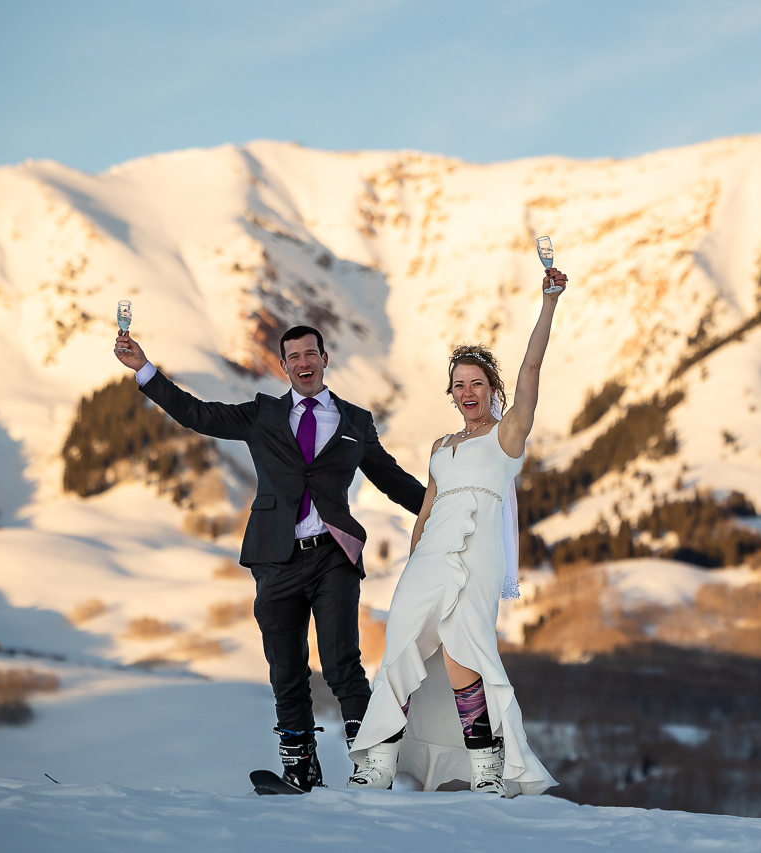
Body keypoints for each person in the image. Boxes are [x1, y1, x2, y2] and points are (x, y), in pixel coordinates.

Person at [112, 325, 426, 792]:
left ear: (324, 358)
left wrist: (443, 510)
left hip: (333, 555)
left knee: (343, 664)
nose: (303, 362)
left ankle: (371, 766)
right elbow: (198, 415)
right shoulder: (262, 414)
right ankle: (300, 769)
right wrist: (144, 369)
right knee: (286, 669)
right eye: (293, 356)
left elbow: (393, 480)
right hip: (275, 558)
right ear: (284, 366)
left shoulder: (355, 421)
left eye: (310, 353)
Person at [348, 267, 568, 797]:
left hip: (477, 555)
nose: (468, 392)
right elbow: (425, 510)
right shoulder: (440, 447)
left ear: (493, 390)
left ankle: (488, 764)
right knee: (400, 642)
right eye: (459, 386)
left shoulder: (507, 437)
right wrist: (413, 553)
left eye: (478, 384)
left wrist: (549, 302)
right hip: (429, 555)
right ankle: (376, 763)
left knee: (464, 656)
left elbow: (532, 368)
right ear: (451, 394)